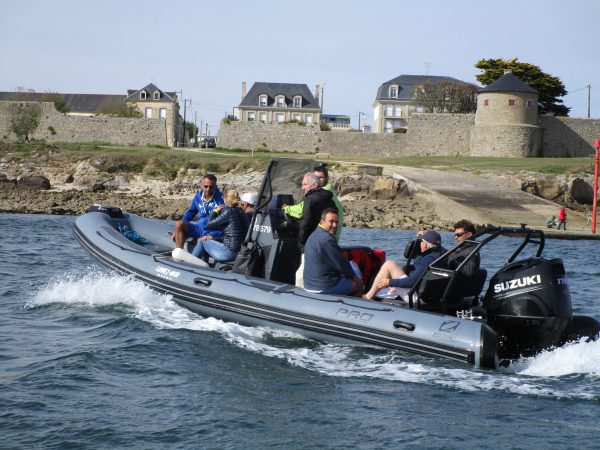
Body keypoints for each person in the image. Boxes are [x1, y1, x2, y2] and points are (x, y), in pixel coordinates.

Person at [363, 230, 445, 300]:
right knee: (400, 267)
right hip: (432, 295)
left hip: (417, 297)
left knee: (389, 264)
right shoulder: (441, 254)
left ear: (425, 244)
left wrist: (389, 282)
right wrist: (428, 235)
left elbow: (411, 282)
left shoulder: (427, 259)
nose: (419, 243)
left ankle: (368, 297)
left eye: (421, 241)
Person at [304, 208, 362, 295]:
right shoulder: (327, 240)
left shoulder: (314, 235)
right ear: (322, 221)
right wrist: (355, 278)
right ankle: (362, 301)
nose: (334, 225)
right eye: (331, 221)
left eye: (336, 222)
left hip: (309, 284)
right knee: (358, 281)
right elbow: (341, 264)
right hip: (323, 286)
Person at [294, 172, 336, 287]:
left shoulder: (310, 199)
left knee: (301, 274)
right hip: (326, 240)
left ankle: (299, 296)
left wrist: (301, 242)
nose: (302, 188)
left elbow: (305, 222)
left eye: (305, 184)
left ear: (313, 185)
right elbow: (334, 220)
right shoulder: (329, 199)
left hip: (310, 242)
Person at [284, 163, 344, 240]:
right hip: (330, 237)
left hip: (327, 236)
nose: (318, 179)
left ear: (327, 178)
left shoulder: (323, 193)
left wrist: (286, 208)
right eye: (315, 177)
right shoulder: (328, 192)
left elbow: (301, 209)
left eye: (320, 177)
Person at [192, 189, 249, 263]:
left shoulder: (228, 211)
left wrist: (214, 211)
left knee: (202, 241)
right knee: (208, 240)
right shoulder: (242, 212)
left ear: (225, 199)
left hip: (229, 253)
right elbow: (233, 236)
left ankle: (190, 265)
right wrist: (214, 238)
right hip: (239, 252)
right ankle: (204, 267)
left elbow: (208, 225)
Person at [174, 174, 224, 250]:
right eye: (206, 186)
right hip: (199, 228)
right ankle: (179, 251)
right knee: (179, 224)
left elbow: (226, 219)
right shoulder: (198, 196)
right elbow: (191, 212)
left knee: (201, 241)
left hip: (212, 231)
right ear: (201, 185)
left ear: (215, 186)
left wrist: (216, 236)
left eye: (211, 187)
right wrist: (177, 230)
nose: (208, 189)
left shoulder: (221, 198)